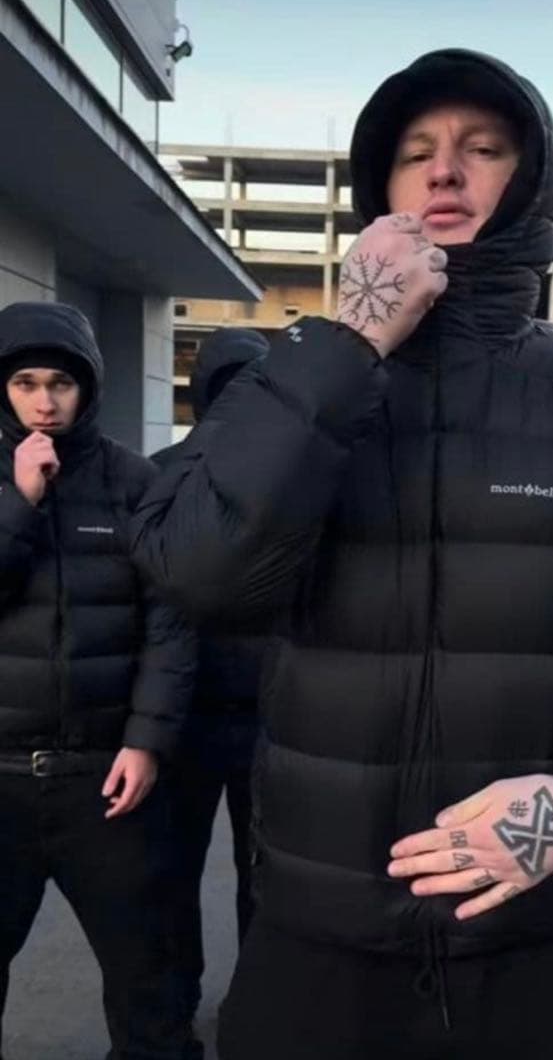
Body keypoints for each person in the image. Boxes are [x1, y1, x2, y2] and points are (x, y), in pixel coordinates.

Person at [131, 50, 553, 1060]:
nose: (444, 170)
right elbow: (193, 571)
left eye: (481, 149)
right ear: (379, 188)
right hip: (312, 948)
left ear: (529, 183)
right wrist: (349, 341)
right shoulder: (294, 384)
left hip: (544, 950)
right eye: (415, 152)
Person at [0, 302, 195, 1060]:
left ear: (87, 389)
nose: (44, 402)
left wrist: (146, 742)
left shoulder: (133, 480)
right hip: (0, 780)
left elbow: (171, 625)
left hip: (105, 781)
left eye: (61, 383)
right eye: (25, 383)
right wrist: (20, 502)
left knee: (150, 984)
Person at [152, 327, 271, 1037]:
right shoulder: (164, 473)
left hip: (269, 718)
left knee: (266, 879)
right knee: (171, 875)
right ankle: (173, 1003)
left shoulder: (291, 476)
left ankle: (254, 1006)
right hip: (183, 718)